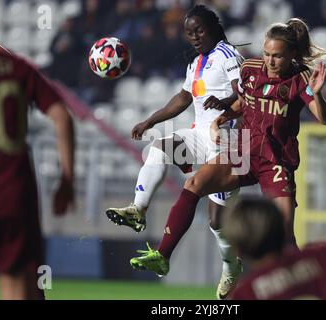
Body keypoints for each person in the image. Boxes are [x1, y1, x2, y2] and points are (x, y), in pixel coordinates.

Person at [129, 18, 326, 286]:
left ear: (292, 55)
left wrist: (317, 94)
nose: (270, 61)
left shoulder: (300, 78)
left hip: (276, 162)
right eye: (267, 54)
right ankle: (163, 255)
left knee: (282, 232)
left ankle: (305, 286)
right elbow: (242, 102)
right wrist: (222, 118)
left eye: (278, 56)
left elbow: (324, 119)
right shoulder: (250, 69)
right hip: (243, 151)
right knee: (194, 183)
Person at [104, 5, 244, 300]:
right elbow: (183, 97)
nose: (194, 37)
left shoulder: (228, 55)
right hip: (199, 136)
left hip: (228, 141)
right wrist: (150, 120)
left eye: (199, 30)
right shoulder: (195, 63)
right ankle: (138, 209)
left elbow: (243, 93)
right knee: (159, 147)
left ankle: (231, 268)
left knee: (217, 221)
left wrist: (225, 103)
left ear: (214, 27)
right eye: (189, 33)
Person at [0, 0, 75, 300]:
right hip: (11, 196)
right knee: (17, 283)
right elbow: (62, 116)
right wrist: (66, 179)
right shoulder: (18, 68)